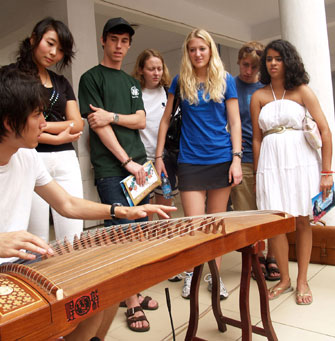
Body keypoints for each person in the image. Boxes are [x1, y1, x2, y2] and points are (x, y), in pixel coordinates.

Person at [0, 65, 175, 340]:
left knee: (108, 286)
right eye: (37, 115)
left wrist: (122, 210)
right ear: (8, 121)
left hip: (23, 264)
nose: (44, 123)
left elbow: (67, 205)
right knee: (56, 320)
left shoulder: (26, 155)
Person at [78, 17, 159, 333]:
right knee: (121, 236)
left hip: (142, 167)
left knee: (140, 233)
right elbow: (98, 127)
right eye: (114, 39)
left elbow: (140, 121)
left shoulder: (131, 83)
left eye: (125, 41)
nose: (119, 46)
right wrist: (127, 162)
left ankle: (133, 290)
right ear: (103, 40)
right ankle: (131, 304)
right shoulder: (91, 78)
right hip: (115, 169)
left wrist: (112, 115)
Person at [155, 28, 243, 300]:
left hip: (221, 159)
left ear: (210, 50)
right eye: (192, 49)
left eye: (202, 49)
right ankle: (193, 273)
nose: (197, 54)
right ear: (188, 52)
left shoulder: (226, 80)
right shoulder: (181, 81)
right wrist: (158, 157)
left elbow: (235, 121)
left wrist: (237, 159)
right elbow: (166, 119)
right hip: (190, 161)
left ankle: (214, 277)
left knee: (215, 226)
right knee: (195, 226)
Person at [251, 39, 333, 305]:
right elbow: (256, 139)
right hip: (270, 164)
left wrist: (327, 171)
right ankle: (285, 278)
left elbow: (325, 131)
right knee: (277, 221)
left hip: (302, 162)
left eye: (278, 58)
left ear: (288, 61)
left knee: (301, 220)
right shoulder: (258, 96)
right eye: (269, 59)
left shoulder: (302, 91)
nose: (273, 63)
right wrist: (257, 174)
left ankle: (302, 280)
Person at [16, 17, 84, 243]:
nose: (54, 52)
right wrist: (57, 135)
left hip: (66, 158)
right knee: (36, 236)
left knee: (73, 234)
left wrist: (39, 127)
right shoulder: (14, 77)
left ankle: (73, 278)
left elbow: (78, 123)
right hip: (29, 157)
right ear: (33, 40)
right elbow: (18, 126)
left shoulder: (61, 82)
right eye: (50, 43)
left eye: (61, 49)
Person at [231, 41, 280, 282]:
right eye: (244, 65)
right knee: (247, 212)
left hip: (270, 157)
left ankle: (272, 255)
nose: (248, 70)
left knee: (270, 208)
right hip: (244, 157)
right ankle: (255, 256)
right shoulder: (231, 86)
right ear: (239, 63)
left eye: (253, 66)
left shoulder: (269, 88)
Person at [131, 49, 177, 217]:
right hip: (142, 161)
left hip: (165, 159)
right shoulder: (135, 93)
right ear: (141, 70)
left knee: (165, 213)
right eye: (151, 69)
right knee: (145, 213)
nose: (156, 73)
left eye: (159, 68)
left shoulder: (168, 92)